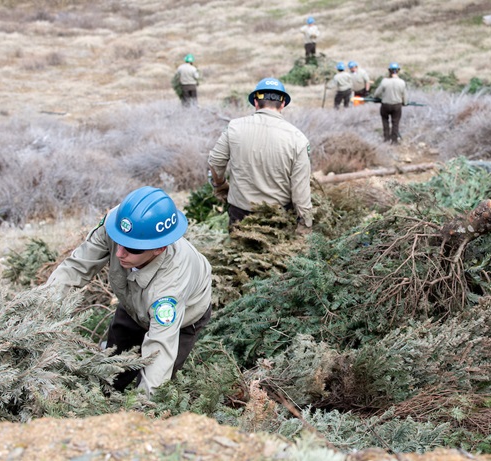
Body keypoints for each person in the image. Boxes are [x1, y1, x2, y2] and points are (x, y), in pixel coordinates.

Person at [46, 186, 213, 395]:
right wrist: (42, 310)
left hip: (184, 318)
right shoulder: (118, 224)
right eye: (119, 242)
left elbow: (159, 352)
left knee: (157, 382)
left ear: (159, 248)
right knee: (110, 371)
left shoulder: (171, 285)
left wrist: (138, 417)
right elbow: (75, 268)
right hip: (132, 304)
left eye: (132, 248)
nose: (119, 253)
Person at [207, 78, 313, 235]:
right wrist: (305, 222)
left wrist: (220, 186)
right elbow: (300, 189)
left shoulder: (234, 128)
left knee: (238, 256)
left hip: (240, 212)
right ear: (283, 104)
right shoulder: (298, 139)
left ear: (255, 102)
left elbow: (215, 163)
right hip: (278, 217)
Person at [373, 62, 408, 144]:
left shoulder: (384, 81)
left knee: (385, 121)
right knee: (395, 123)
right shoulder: (402, 82)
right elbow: (405, 95)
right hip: (397, 105)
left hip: (385, 105)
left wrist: (376, 98)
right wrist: (405, 103)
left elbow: (376, 94)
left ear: (389, 71)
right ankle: (394, 141)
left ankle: (386, 139)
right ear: (398, 70)